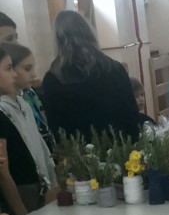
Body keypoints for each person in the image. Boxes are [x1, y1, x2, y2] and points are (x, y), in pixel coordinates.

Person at [40, 11, 141, 141]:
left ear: (58, 40)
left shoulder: (53, 79)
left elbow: (57, 130)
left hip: (80, 150)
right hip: (121, 147)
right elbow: (132, 116)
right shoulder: (114, 68)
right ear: (89, 33)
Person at [0, 43, 57, 215]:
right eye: (9, 68)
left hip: (37, 181)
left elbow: (39, 146)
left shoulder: (25, 103)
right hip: (22, 186)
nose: (14, 74)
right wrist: (21, 213)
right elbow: (3, 172)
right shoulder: (3, 111)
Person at [7, 42, 55, 154]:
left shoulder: (28, 95)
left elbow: (42, 116)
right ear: (10, 69)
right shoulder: (5, 108)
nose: (34, 74)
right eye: (27, 69)